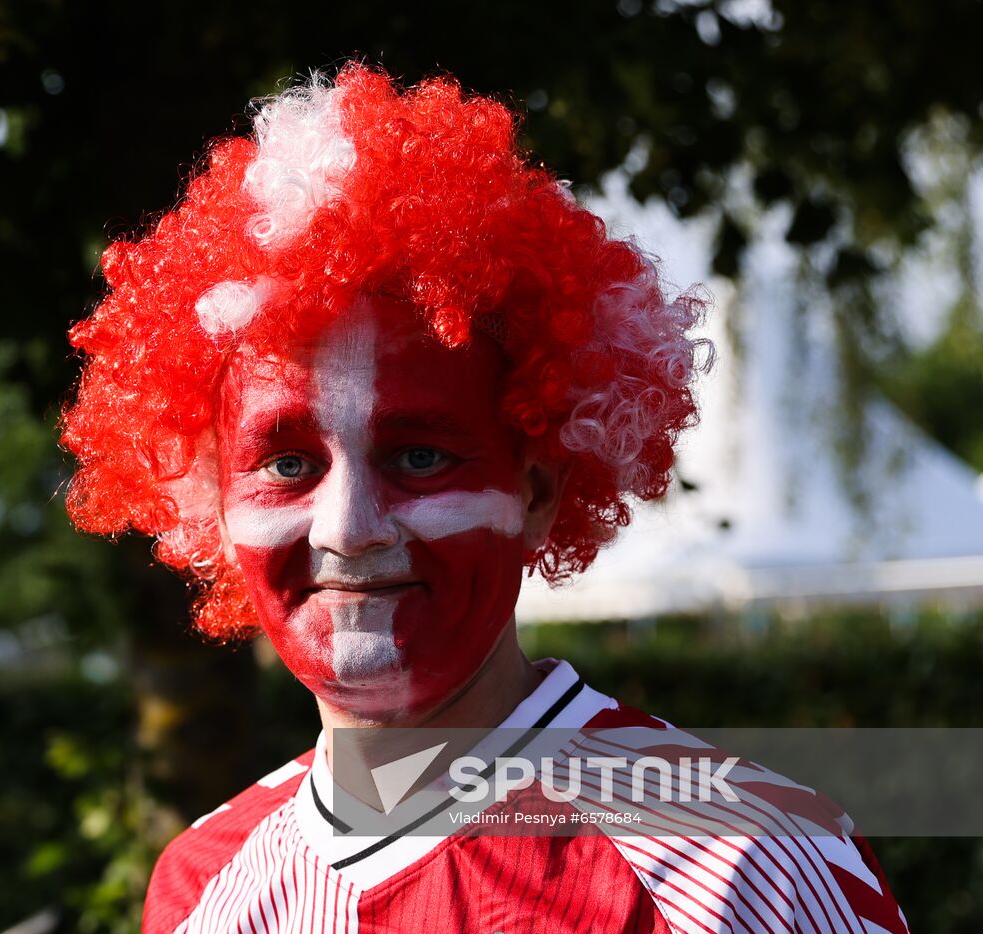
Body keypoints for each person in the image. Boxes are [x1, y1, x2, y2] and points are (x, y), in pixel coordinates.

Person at [61, 63, 907, 933]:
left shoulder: (745, 862)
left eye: (420, 456)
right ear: (210, 496)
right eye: (286, 466)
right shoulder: (202, 886)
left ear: (536, 489)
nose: (349, 530)